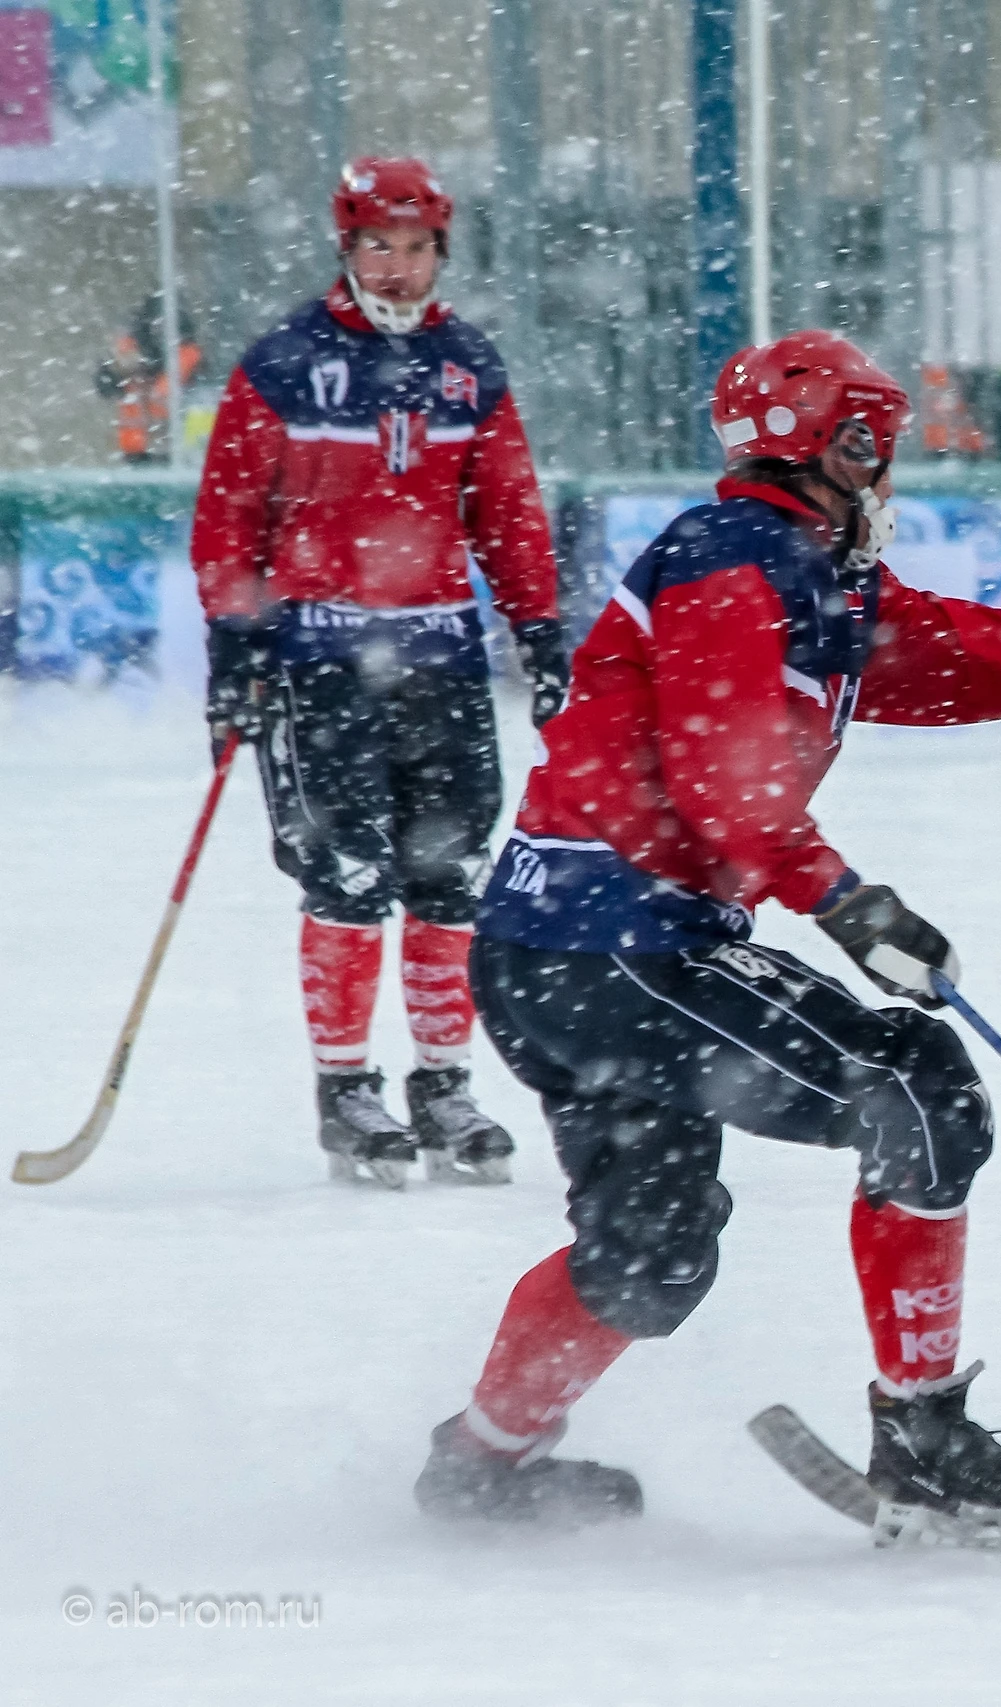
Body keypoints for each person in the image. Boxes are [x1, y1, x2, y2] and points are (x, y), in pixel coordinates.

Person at [411, 330, 1001, 1549]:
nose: (892, 478)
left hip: (567, 950)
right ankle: (921, 1440)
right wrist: (844, 900)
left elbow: (976, 658)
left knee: (654, 1256)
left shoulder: (808, 573)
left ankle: (482, 1463)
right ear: (844, 445)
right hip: (612, 941)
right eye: (884, 450)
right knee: (918, 1085)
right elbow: (723, 773)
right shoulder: (735, 564)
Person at [190, 156, 569, 1187]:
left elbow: (509, 509)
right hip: (319, 661)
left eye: (415, 249)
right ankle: (346, 1087)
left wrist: (538, 629)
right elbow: (229, 515)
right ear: (345, 249)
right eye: (377, 247)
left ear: (440, 252)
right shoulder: (284, 361)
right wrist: (235, 643)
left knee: (450, 874)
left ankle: (443, 1086)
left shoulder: (467, 367)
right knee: (349, 874)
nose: (397, 269)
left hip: (438, 658)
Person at [96, 293, 203, 464]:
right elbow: (105, 385)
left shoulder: (187, 356)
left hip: (174, 451)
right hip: (137, 449)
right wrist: (115, 369)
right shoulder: (129, 349)